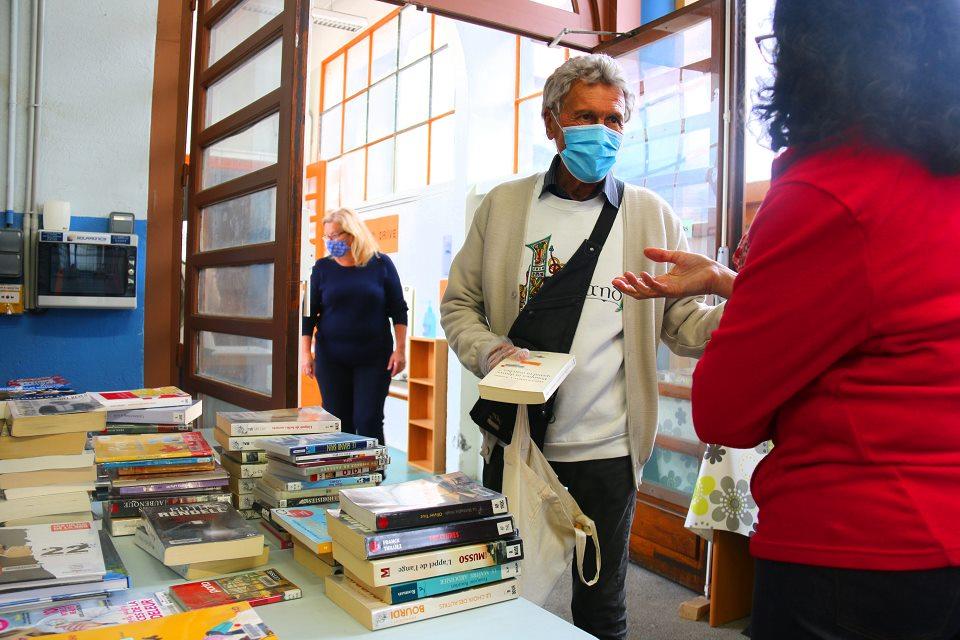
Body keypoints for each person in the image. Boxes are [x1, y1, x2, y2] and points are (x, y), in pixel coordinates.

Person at [620, 1, 960, 637]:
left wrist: (739, 300)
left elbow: (724, 410)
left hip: (855, 551)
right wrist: (730, 282)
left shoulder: (833, 190)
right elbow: (878, 314)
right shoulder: (935, 176)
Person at [440, 54, 732, 640]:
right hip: (519, 442)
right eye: (584, 115)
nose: (602, 131)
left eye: (615, 119)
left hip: (609, 452)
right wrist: (491, 351)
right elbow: (459, 305)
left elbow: (683, 326)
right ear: (552, 123)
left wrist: (737, 298)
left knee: (603, 609)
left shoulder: (651, 215)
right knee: (503, 597)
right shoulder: (504, 207)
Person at [300, 208, 408, 448]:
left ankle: (374, 478)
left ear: (352, 234)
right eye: (326, 237)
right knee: (339, 422)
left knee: (368, 420)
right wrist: (306, 353)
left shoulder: (381, 264)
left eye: (335, 236)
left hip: (374, 358)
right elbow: (308, 313)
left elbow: (399, 310)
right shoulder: (321, 269)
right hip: (332, 359)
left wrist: (400, 350)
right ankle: (344, 477)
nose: (330, 242)